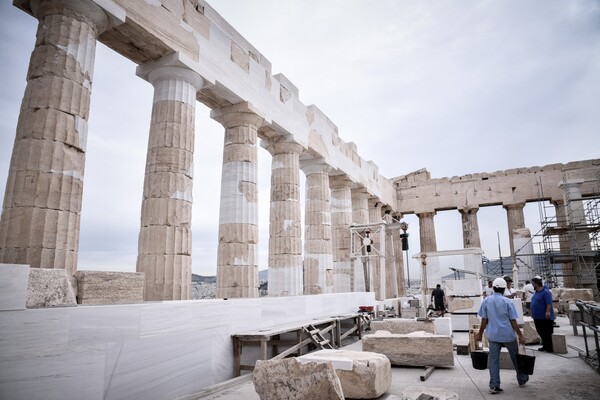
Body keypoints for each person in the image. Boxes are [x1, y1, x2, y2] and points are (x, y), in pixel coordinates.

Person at [476, 277, 528, 394]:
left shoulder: (486, 301)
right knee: (515, 357)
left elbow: (484, 320)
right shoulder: (507, 302)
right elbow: (513, 321)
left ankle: (494, 385)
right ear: (504, 289)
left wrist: (480, 334)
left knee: (494, 360)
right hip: (508, 335)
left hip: (493, 335)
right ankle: (522, 379)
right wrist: (520, 335)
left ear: (493, 288)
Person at [531, 277, 555, 352]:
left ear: (536, 284)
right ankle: (545, 345)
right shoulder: (536, 293)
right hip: (537, 317)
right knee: (540, 331)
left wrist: (547, 312)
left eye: (533, 284)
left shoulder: (546, 292)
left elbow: (549, 303)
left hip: (544, 317)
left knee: (547, 332)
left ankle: (550, 347)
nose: (532, 286)